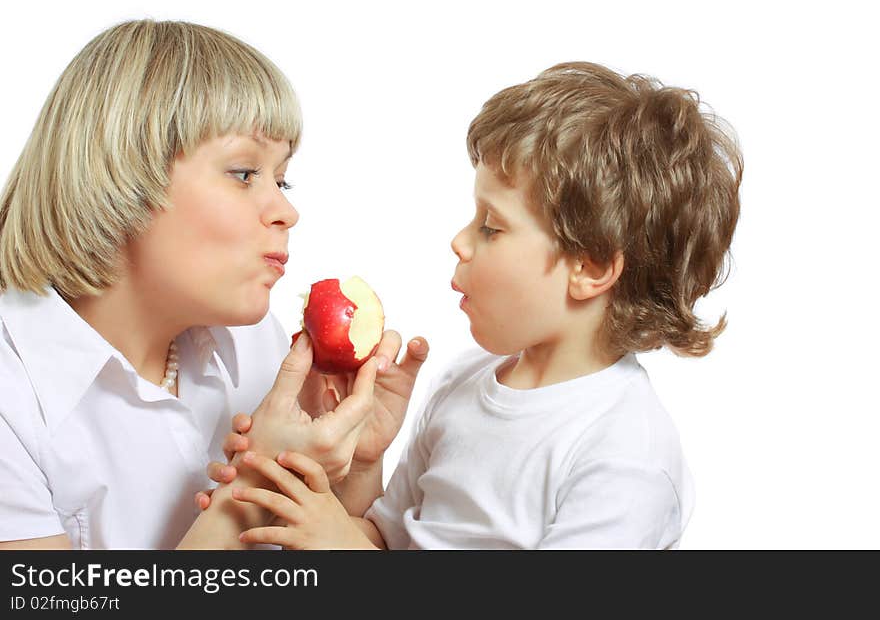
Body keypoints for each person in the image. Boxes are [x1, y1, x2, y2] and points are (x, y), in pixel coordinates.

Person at [207, 61, 742, 549]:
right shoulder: (466, 382)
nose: (461, 241)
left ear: (592, 268)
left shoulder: (626, 454)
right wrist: (335, 478)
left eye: (492, 226)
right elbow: (387, 541)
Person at [0, 19, 429, 549]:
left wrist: (354, 466)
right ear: (122, 174)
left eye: (282, 178)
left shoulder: (256, 346)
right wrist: (254, 482)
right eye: (245, 173)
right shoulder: (13, 394)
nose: (287, 210)